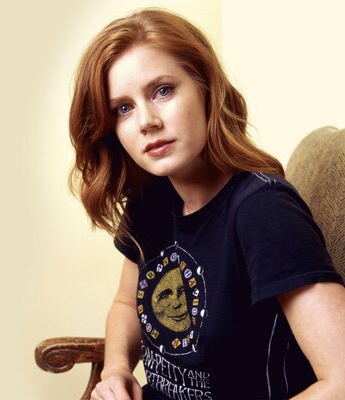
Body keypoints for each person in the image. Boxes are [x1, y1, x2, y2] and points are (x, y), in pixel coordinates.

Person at [68, 8, 345, 400]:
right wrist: (115, 371)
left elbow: (341, 379)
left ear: (205, 90)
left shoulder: (263, 210)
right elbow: (126, 303)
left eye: (162, 90)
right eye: (123, 108)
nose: (146, 120)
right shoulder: (149, 200)